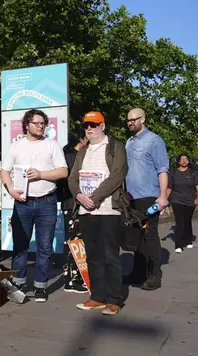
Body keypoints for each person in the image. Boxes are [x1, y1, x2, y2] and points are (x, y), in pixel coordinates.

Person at [0, 109, 68, 303]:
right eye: (36, 123)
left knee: (45, 246)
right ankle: (19, 283)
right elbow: (4, 171)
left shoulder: (52, 145)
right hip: (22, 202)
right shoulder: (16, 146)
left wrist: (41, 175)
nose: (40, 126)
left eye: (42, 123)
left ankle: (40, 286)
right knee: (20, 245)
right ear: (26, 125)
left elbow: (63, 171)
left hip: (47, 201)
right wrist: (10, 189)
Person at [68, 111, 127, 316]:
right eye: (86, 125)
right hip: (86, 210)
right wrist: (78, 195)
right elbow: (72, 178)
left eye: (93, 124)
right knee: (93, 256)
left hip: (109, 209)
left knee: (111, 256)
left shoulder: (115, 147)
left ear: (103, 126)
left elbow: (118, 174)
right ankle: (97, 297)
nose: (89, 129)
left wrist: (96, 197)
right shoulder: (82, 152)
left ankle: (114, 299)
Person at [124, 108, 169, 291]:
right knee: (136, 236)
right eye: (128, 120)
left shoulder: (154, 141)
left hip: (149, 197)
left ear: (143, 119)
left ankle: (154, 275)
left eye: (134, 119)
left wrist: (163, 196)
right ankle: (138, 272)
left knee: (150, 235)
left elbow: (162, 169)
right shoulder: (128, 142)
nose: (130, 122)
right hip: (131, 198)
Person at [60, 128, 89, 293]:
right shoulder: (76, 158)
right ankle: (72, 279)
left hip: (69, 204)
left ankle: (72, 278)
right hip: (74, 204)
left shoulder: (67, 157)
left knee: (72, 241)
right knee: (76, 242)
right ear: (82, 139)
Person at [167, 154, 198, 253]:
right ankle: (178, 244)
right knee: (179, 222)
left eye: (186, 159)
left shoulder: (193, 173)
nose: (183, 160)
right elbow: (169, 188)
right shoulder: (173, 173)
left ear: (189, 161)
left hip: (190, 200)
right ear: (178, 162)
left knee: (187, 221)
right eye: (181, 159)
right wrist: (164, 199)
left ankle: (188, 239)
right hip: (176, 200)